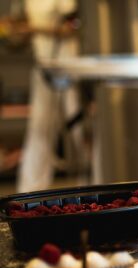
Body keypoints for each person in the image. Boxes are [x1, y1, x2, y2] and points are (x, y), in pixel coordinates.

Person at [15, 0, 80, 193]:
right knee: (40, 127)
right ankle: (30, 190)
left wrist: (34, 29)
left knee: (76, 124)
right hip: (42, 67)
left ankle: (92, 180)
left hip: (67, 67)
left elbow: (72, 27)